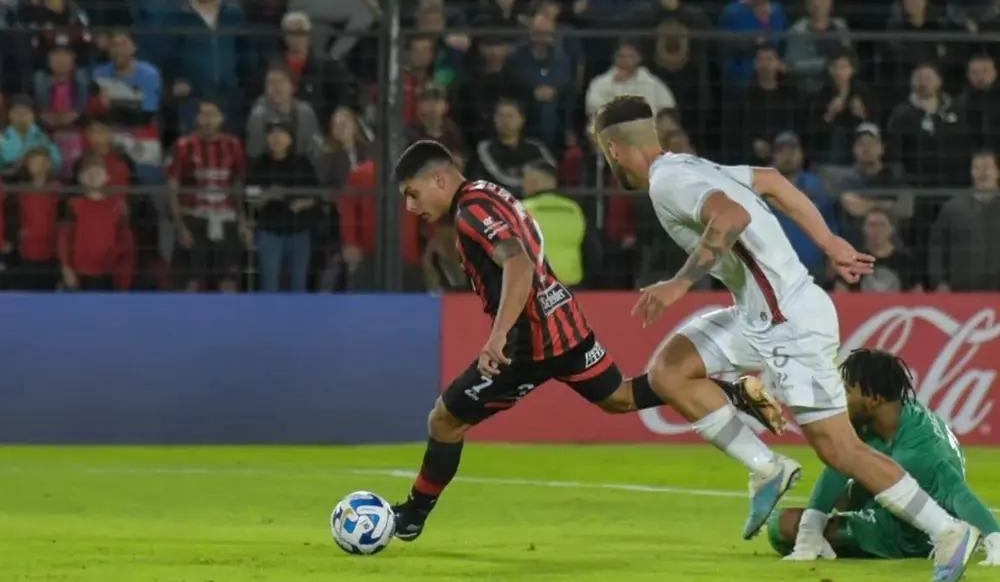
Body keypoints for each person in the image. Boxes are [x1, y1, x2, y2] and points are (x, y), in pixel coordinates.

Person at [589, 94, 981, 582]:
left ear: (613, 149)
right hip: (756, 314)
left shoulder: (668, 181)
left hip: (789, 322)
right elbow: (773, 181)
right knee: (671, 370)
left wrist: (680, 283)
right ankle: (766, 466)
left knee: (842, 451)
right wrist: (830, 242)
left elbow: (731, 217)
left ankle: (948, 531)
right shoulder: (689, 165)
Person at [389, 139, 785, 543]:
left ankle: (411, 517)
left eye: (413, 194)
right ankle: (731, 392)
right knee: (618, 398)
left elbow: (518, 262)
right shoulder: (488, 192)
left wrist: (499, 334)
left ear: (439, 179)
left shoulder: (470, 212)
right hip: (565, 321)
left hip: (531, 343)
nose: (411, 206)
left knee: (445, 421)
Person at [768, 348, 1000, 565]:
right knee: (838, 491)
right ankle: (830, 535)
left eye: (846, 391)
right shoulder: (888, 419)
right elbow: (839, 465)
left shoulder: (920, 452)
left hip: (912, 535)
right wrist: (810, 530)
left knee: (784, 525)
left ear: (874, 400)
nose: (839, 400)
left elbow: (958, 494)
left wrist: (995, 540)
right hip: (893, 506)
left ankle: (864, 540)